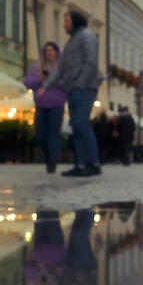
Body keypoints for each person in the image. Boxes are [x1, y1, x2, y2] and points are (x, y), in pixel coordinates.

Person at [41, 10, 101, 178]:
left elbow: (90, 62)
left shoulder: (87, 37)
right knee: (76, 127)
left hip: (84, 88)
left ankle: (93, 163)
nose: (64, 24)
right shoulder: (70, 42)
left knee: (81, 124)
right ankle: (80, 164)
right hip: (73, 89)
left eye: (66, 21)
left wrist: (80, 83)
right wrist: (45, 87)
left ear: (75, 21)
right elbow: (60, 70)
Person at [24, 41, 65, 173]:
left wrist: (57, 81)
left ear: (57, 52)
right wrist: (39, 79)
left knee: (53, 133)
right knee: (40, 135)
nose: (50, 53)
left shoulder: (62, 67)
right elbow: (27, 82)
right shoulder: (37, 67)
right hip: (41, 104)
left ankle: (53, 161)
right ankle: (49, 156)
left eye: (52, 50)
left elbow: (70, 83)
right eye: (47, 50)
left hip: (57, 104)